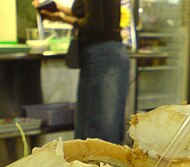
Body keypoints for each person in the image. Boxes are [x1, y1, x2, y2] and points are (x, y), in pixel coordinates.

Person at [33, 1, 130, 145]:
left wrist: (61, 18)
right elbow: (92, 14)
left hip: (102, 56)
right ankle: (91, 165)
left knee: (98, 128)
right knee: (94, 123)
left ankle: (98, 166)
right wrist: (61, 9)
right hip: (106, 55)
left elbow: (94, 26)